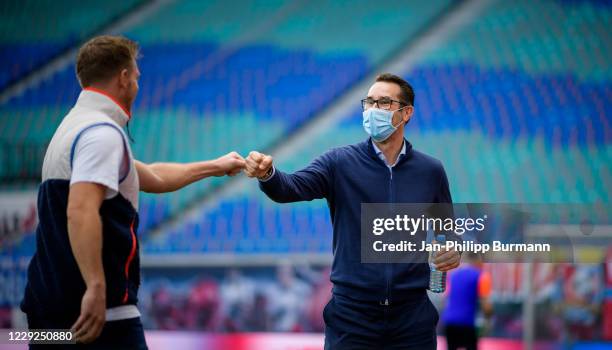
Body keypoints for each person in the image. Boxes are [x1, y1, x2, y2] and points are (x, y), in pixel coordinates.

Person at [20, 35, 245, 349]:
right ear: (123, 78)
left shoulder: (74, 129)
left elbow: (152, 175)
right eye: (136, 77)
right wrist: (96, 288)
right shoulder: (102, 134)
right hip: (99, 315)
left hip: (52, 315)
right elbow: (80, 210)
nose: (137, 86)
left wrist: (217, 165)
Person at [245, 73, 461, 349]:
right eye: (368, 102)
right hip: (352, 317)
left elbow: (447, 230)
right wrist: (268, 175)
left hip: (412, 318)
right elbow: (290, 188)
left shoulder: (431, 171)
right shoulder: (339, 162)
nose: (372, 110)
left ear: (406, 113)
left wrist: (452, 251)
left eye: (383, 103)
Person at [442, 252, 493, 350]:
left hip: (449, 322)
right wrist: (489, 320)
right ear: (478, 259)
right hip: (467, 323)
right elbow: (486, 305)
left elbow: (446, 298)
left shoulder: (453, 275)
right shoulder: (481, 276)